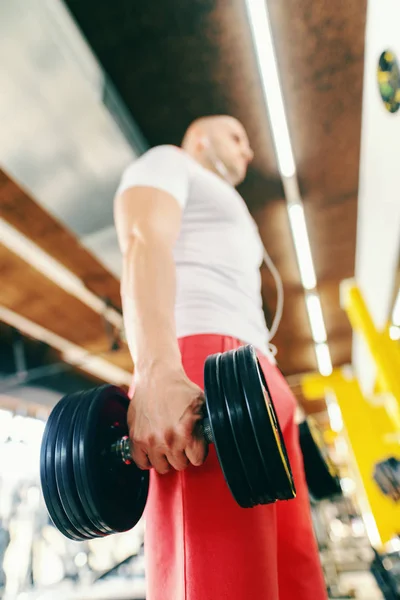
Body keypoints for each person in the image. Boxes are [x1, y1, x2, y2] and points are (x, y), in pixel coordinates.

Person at [114, 115, 327, 600]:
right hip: (204, 372)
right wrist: (157, 370)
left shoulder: (227, 204)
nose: (248, 153)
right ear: (200, 137)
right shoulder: (167, 161)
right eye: (238, 138)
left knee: (297, 584)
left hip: (258, 379)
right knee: (223, 586)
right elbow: (143, 240)